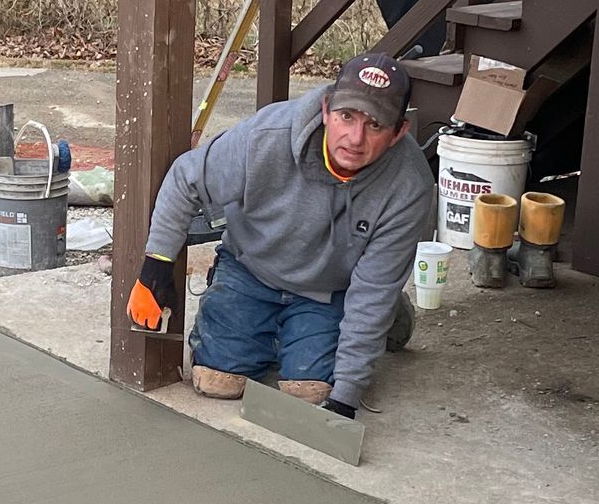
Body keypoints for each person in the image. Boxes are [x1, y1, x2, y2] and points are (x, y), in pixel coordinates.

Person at [126, 53, 434, 418]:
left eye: (376, 125)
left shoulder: (409, 186)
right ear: (326, 109)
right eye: (346, 117)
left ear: (399, 132)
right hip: (250, 271)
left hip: (330, 290)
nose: (355, 138)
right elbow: (186, 177)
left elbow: (372, 290)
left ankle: (388, 318)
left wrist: (345, 398)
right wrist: (156, 263)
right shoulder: (267, 136)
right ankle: (270, 329)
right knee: (216, 380)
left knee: (310, 392)